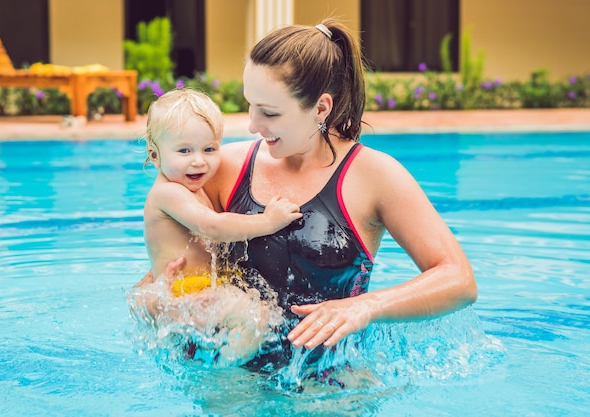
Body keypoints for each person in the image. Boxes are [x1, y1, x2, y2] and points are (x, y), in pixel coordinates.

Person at [136, 19, 477, 369]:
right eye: (250, 105)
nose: (252, 124)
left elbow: (458, 280)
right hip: (229, 384)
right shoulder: (222, 167)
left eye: (269, 112)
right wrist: (152, 302)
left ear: (320, 109)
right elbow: (166, 266)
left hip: (329, 384)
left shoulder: (374, 177)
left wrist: (365, 306)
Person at [133, 88, 302, 364]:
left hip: (199, 288)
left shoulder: (190, 187)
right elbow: (211, 226)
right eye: (184, 150)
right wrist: (268, 221)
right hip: (186, 292)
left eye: (209, 149)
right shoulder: (168, 193)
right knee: (258, 319)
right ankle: (222, 371)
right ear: (155, 155)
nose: (199, 160)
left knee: (262, 314)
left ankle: (221, 362)